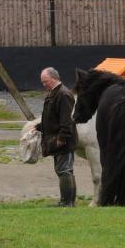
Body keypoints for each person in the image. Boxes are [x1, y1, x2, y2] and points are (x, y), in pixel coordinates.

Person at [38, 67, 77, 207]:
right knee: (65, 169)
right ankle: (69, 202)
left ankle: (66, 202)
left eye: (45, 81)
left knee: (64, 170)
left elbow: (66, 120)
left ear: (54, 78)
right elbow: (52, 117)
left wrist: (62, 138)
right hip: (58, 138)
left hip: (62, 140)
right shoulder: (54, 93)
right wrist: (39, 127)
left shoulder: (63, 94)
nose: (44, 85)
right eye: (42, 82)